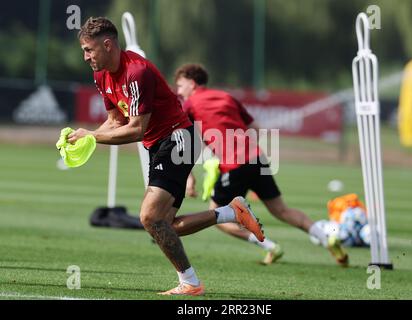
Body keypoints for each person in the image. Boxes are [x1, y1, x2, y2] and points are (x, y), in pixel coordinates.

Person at [69, 17, 265, 296]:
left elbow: (136, 129)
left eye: (89, 50)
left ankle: (192, 283)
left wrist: (90, 135)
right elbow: (114, 122)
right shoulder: (101, 75)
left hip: (177, 138)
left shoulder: (137, 72)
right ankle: (230, 213)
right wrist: (84, 141)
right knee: (164, 226)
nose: (85, 57)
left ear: (108, 44)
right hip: (159, 145)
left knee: (149, 217)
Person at [174, 63, 349, 267]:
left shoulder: (190, 104)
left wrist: (190, 176)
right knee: (282, 210)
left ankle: (270, 246)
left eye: (180, 85)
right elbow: (255, 129)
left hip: (234, 165)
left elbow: (186, 141)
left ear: (192, 83)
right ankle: (326, 238)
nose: (179, 91)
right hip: (257, 158)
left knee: (216, 216)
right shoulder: (227, 97)